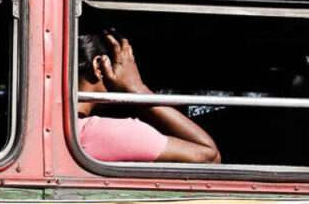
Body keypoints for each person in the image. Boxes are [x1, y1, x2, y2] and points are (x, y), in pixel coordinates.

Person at [75, 30, 219, 164]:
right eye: (129, 65)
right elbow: (209, 156)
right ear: (99, 67)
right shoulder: (109, 133)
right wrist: (137, 88)